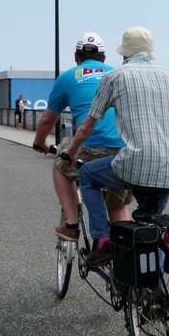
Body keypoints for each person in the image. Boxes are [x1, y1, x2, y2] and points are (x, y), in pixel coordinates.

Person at [61, 26, 169, 264]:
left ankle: (102, 240)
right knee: (152, 229)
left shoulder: (115, 76)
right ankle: (156, 294)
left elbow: (86, 127)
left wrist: (71, 151)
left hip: (133, 164)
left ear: (124, 53)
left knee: (87, 175)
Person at [32, 31, 132, 242]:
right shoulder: (117, 74)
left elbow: (47, 120)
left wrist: (40, 142)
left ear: (76, 57)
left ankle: (71, 224)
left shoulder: (68, 77)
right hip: (123, 150)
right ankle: (126, 258)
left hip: (89, 148)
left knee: (61, 161)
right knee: (118, 206)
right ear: (104, 58)